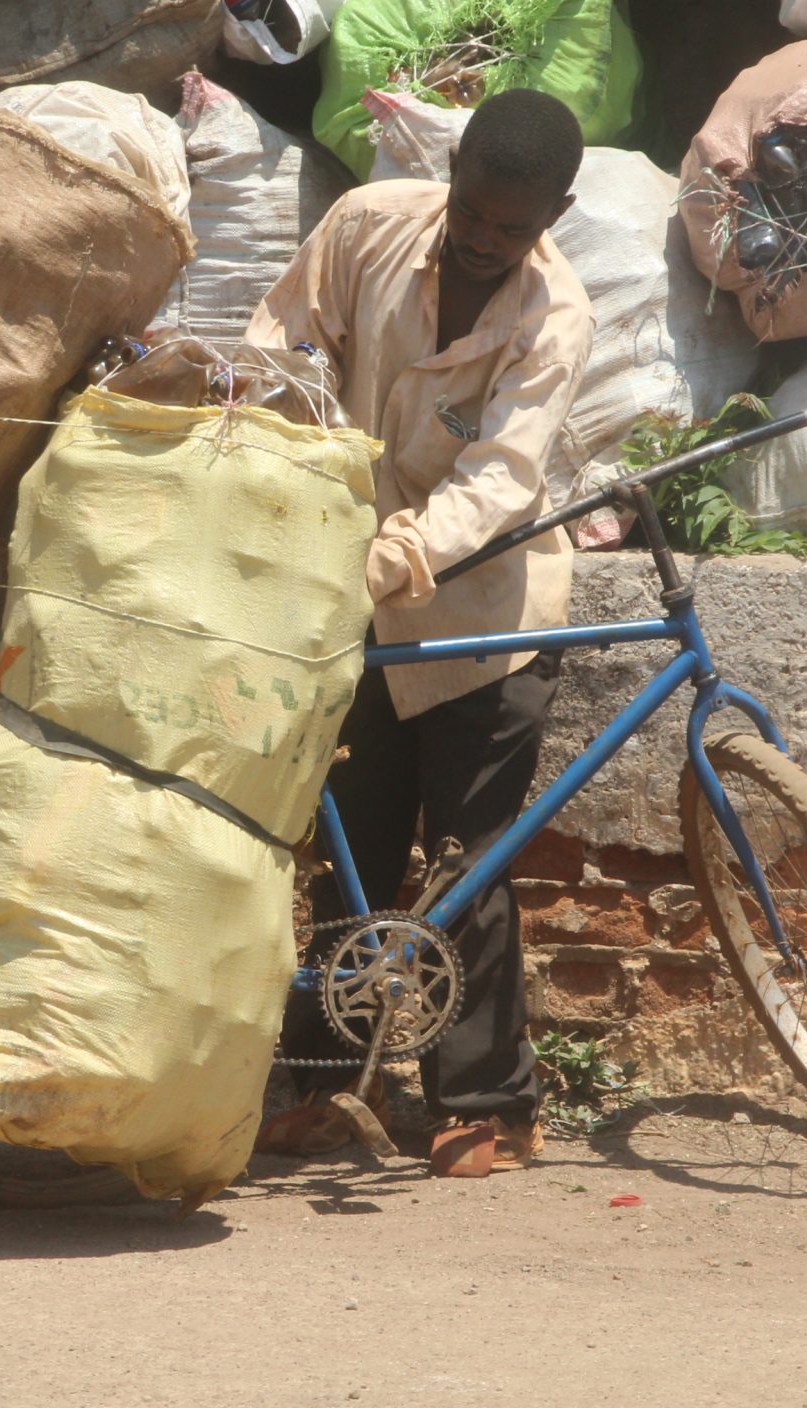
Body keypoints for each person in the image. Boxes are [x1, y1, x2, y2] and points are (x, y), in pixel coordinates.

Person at [245, 87, 592, 1179]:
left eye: (512, 228)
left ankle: (488, 1107)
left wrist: (396, 555)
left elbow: (502, 479)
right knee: (355, 847)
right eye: (472, 215)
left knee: (466, 865)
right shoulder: (366, 229)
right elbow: (282, 348)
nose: (486, 242)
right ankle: (324, 1089)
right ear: (452, 182)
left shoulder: (553, 318)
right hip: (346, 599)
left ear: (555, 214)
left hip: (481, 615)